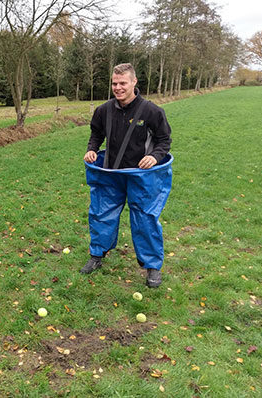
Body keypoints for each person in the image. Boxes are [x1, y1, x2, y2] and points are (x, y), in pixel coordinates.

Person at [82, 63, 172, 287]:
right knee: (101, 214)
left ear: (134, 83)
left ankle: (152, 267)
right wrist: (92, 149)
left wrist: (155, 157)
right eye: (114, 83)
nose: (118, 87)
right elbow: (96, 134)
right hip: (111, 173)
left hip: (141, 176)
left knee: (145, 218)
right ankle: (97, 255)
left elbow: (164, 141)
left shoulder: (152, 111)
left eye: (123, 83)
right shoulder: (103, 110)